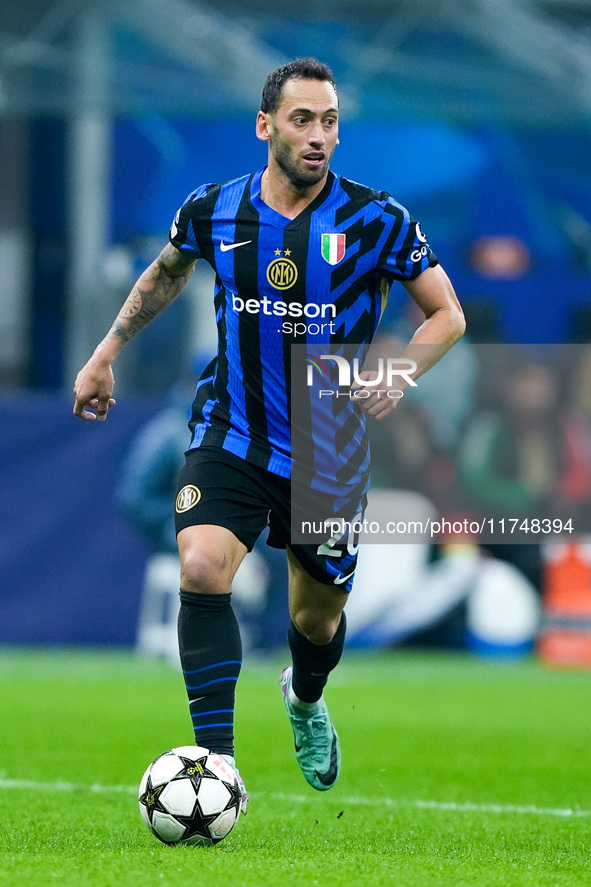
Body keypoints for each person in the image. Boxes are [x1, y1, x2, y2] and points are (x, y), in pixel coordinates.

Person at [73, 57, 465, 810]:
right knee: (201, 565)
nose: (318, 136)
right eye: (301, 119)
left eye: (328, 122)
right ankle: (215, 767)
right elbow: (164, 272)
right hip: (232, 428)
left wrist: (395, 374)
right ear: (265, 126)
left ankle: (306, 697)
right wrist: (104, 354)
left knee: (313, 619)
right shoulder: (214, 209)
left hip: (328, 448)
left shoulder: (377, 220)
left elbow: (446, 313)